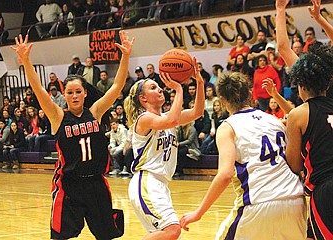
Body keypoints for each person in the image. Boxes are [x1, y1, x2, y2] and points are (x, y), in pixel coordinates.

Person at [11, 31, 133, 239]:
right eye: (69, 92)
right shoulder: (58, 117)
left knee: (107, 235)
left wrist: (126, 57)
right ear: (64, 95)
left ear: (85, 93)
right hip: (69, 185)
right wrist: (26, 62)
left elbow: (117, 86)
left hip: (96, 183)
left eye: (78, 91)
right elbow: (38, 89)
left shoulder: (95, 112)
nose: (74, 96)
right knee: (61, 236)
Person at [179, 72, 306, 239]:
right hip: (295, 200)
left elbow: (225, 174)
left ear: (222, 101)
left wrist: (199, 212)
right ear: (250, 94)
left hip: (258, 202)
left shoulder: (228, 126)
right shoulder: (274, 120)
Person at [124, 57, 205, 239]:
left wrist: (199, 82)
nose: (160, 88)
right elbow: (172, 121)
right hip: (147, 182)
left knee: (166, 235)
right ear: (142, 98)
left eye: (158, 86)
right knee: (172, 230)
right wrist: (178, 89)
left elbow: (197, 112)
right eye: (153, 88)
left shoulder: (167, 117)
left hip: (160, 184)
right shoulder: (144, 119)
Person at [275, 0, 333, 238]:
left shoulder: (299, 115)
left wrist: (280, 10)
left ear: (299, 84)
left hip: (326, 188)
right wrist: (320, 19)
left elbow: (282, 48)